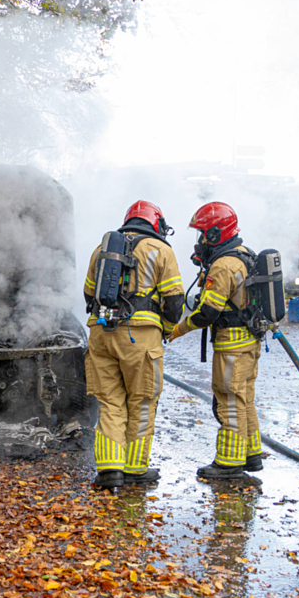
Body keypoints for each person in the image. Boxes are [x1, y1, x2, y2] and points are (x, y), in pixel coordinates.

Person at [83, 201, 185, 488]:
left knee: (109, 402)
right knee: (141, 402)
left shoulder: (102, 250)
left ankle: (109, 469)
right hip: (140, 337)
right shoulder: (161, 250)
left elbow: (89, 295)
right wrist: (164, 329)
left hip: (101, 334)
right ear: (157, 224)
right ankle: (134, 469)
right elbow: (175, 302)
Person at [169, 201, 263, 479]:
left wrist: (177, 329)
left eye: (203, 234)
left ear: (215, 234)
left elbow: (208, 312)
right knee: (244, 399)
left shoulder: (223, 265)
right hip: (249, 342)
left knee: (229, 400)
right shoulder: (245, 255)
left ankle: (229, 463)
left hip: (232, 345)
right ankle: (251, 454)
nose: (199, 241)